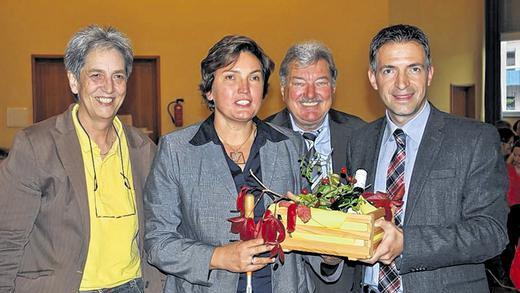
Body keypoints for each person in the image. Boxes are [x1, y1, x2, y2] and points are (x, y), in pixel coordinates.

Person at [143, 35, 342, 293]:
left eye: (254, 77)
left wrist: (330, 255)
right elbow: (158, 243)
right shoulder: (177, 150)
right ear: (209, 90)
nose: (244, 89)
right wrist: (219, 257)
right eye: (230, 77)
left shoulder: (289, 145)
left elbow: (305, 227)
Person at [0, 25, 164, 292]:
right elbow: (6, 238)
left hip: (133, 286)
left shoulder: (143, 148)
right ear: (74, 81)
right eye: (96, 75)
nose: (108, 88)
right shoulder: (36, 146)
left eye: (118, 76)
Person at [346, 24, 508, 292]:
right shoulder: (360, 141)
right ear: (373, 78)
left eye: (414, 68)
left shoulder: (474, 139)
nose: (402, 83)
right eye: (389, 70)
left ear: (429, 74)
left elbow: (491, 232)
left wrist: (408, 243)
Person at [265, 41, 365, 292]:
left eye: (320, 82)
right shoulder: (261, 139)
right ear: (284, 88)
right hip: (282, 278)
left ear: (333, 87)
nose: (310, 94)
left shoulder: (362, 135)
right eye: (299, 83)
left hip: (346, 282)